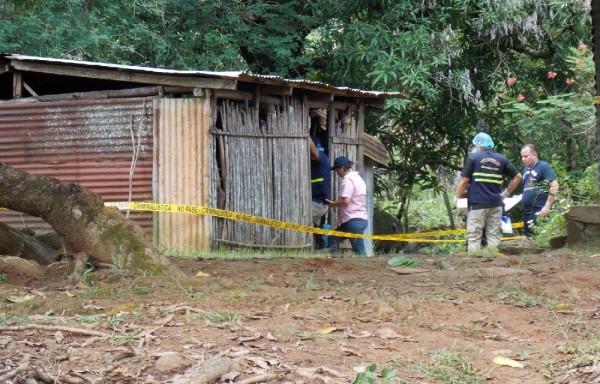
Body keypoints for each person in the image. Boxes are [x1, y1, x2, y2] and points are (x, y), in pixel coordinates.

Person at [455, 132, 522, 251]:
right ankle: (494, 265)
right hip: (496, 204)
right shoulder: (502, 159)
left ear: (478, 145)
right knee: (493, 235)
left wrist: (458, 197)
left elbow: (465, 181)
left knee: (474, 236)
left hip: (477, 204)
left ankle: (474, 265)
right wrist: (506, 194)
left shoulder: (473, 158)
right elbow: (518, 177)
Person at [325, 156, 368, 256]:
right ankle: (334, 261)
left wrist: (334, 203)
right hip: (358, 220)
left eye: (337, 170)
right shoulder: (358, 178)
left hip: (352, 221)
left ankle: (366, 269)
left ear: (342, 168)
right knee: (333, 239)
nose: (336, 173)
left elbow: (346, 200)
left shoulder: (348, 180)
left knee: (360, 253)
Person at [520, 143, 559, 236]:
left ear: (534, 155)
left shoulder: (543, 166)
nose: (523, 159)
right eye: (522, 157)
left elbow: (554, 186)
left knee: (540, 239)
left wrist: (547, 206)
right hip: (527, 211)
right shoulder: (526, 170)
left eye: (526, 156)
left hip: (540, 210)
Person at [309, 136, 331, 230]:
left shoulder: (323, 159)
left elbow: (314, 152)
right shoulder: (313, 165)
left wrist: (307, 136)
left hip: (318, 205)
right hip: (316, 204)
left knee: (298, 216)